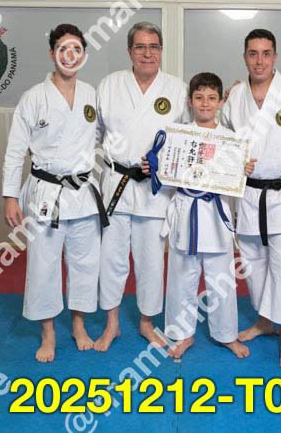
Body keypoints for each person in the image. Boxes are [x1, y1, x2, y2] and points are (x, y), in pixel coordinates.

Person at [2, 24, 107, 362]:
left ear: (84, 55)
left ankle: (78, 324)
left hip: (83, 193)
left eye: (76, 49)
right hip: (46, 193)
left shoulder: (92, 94)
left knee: (85, 262)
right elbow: (15, 150)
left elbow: (111, 132)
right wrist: (9, 196)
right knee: (44, 264)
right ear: (52, 54)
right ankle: (48, 332)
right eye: (63, 48)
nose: (70, 55)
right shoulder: (33, 97)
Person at [94, 22, 189, 351]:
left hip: (155, 190)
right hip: (117, 183)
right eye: (140, 47)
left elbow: (188, 139)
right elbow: (93, 134)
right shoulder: (109, 85)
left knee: (151, 261)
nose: (147, 53)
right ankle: (112, 322)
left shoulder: (177, 89)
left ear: (161, 50)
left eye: (153, 47)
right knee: (112, 258)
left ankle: (147, 322)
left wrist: (166, 166)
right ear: (129, 51)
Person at [221, 29, 281, 369]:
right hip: (248, 193)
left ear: (275, 56)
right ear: (244, 56)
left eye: (266, 53)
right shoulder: (235, 97)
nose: (260, 60)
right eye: (253, 53)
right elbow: (224, 140)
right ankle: (264, 321)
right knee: (253, 264)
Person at [148, 72, 250, 360]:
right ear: (190, 101)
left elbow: (236, 179)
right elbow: (165, 175)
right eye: (199, 97)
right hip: (186, 211)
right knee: (181, 277)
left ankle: (227, 335)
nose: (205, 103)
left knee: (221, 278)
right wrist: (153, 167)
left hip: (216, 214)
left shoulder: (231, 139)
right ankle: (182, 334)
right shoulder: (177, 136)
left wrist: (243, 170)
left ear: (220, 102)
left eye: (211, 98)